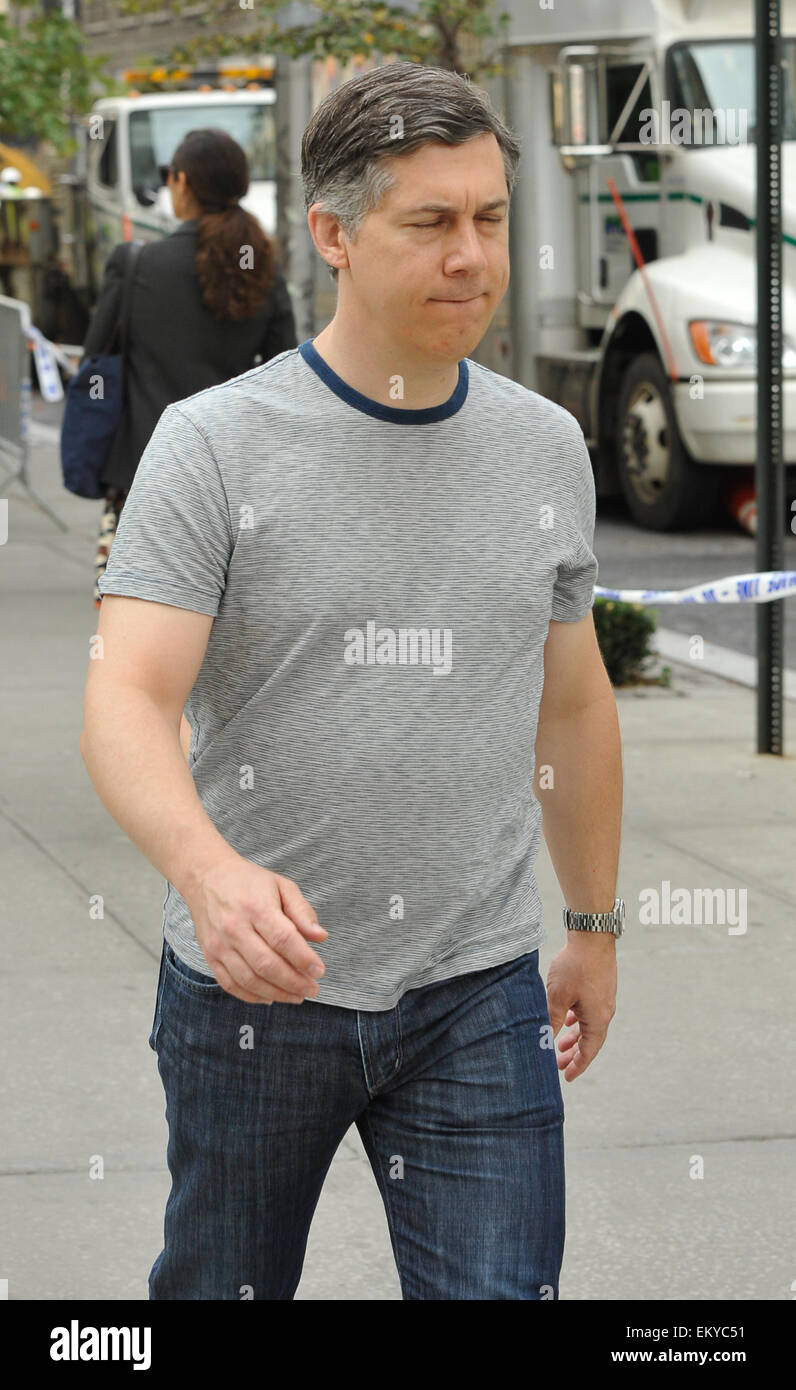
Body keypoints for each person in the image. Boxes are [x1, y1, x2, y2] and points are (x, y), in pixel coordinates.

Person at [80, 62, 623, 1301]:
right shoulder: (213, 446)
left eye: (489, 218)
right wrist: (208, 875)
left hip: (476, 989)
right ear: (331, 232)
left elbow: (574, 702)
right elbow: (126, 699)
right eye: (430, 222)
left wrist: (592, 924)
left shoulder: (544, 446)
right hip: (253, 994)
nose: (471, 256)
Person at [80, 127, 297, 609]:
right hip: (236, 481)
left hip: (143, 477)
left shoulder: (136, 264)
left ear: (181, 182)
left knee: (140, 624)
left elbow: (96, 361)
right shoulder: (261, 267)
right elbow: (286, 371)